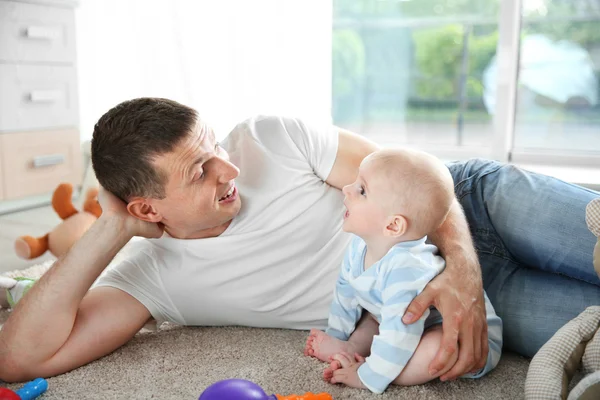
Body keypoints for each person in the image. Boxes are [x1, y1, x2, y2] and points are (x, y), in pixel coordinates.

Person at [0, 98, 598, 384]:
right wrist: (109, 228)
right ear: (145, 208)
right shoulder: (151, 277)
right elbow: (18, 357)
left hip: (470, 206)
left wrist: (463, 266)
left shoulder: (270, 135)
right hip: (444, 308)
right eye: (198, 173)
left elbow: (413, 171)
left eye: (215, 151)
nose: (228, 171)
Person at [304, 149, 502, 393]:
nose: (346, 189)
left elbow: (401, 332)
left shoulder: (407, 269)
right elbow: (346, 292)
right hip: (404, 321)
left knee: (433, 348)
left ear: (393, 224)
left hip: (462, 331)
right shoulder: (359, 246)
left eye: (362, 190)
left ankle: (381, 373)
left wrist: (370, 374)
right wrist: (339, 334)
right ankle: (350, 348)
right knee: (373, 318)